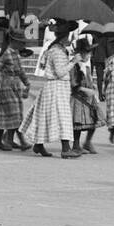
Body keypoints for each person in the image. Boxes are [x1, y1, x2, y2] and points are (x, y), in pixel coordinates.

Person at [20, 20, 79, 159]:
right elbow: (60, 71)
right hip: (56, 87)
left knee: (47, 116)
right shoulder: (57, 51)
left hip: (57, 87)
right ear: (65, 37)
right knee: (62, 117)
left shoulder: (57, 49)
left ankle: (39, 145)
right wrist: (73, 62)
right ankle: (66, 148)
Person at [0, 35, 31, 152]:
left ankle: (2, 141)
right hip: (5, 86)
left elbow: (20, 70)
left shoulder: (16, 53)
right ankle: (20, 141)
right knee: (13, 114)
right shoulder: (6, 54)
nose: (24, 45)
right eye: (22, 43)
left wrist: (27, 83)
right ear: (14, 42)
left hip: (15, 87)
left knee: (8, 114)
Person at [69, 33, 104, 155]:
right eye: (86, 53)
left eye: (89, 53)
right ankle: (76, 144)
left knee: (94, 120)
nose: (89, 55)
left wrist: (92, 86)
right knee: (78, 124)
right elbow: (73, 84)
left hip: (89, 99)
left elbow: (89, 79)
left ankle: (88, 142)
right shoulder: (74, 67)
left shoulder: (87, 67)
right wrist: (84, 90)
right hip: (78, 99)